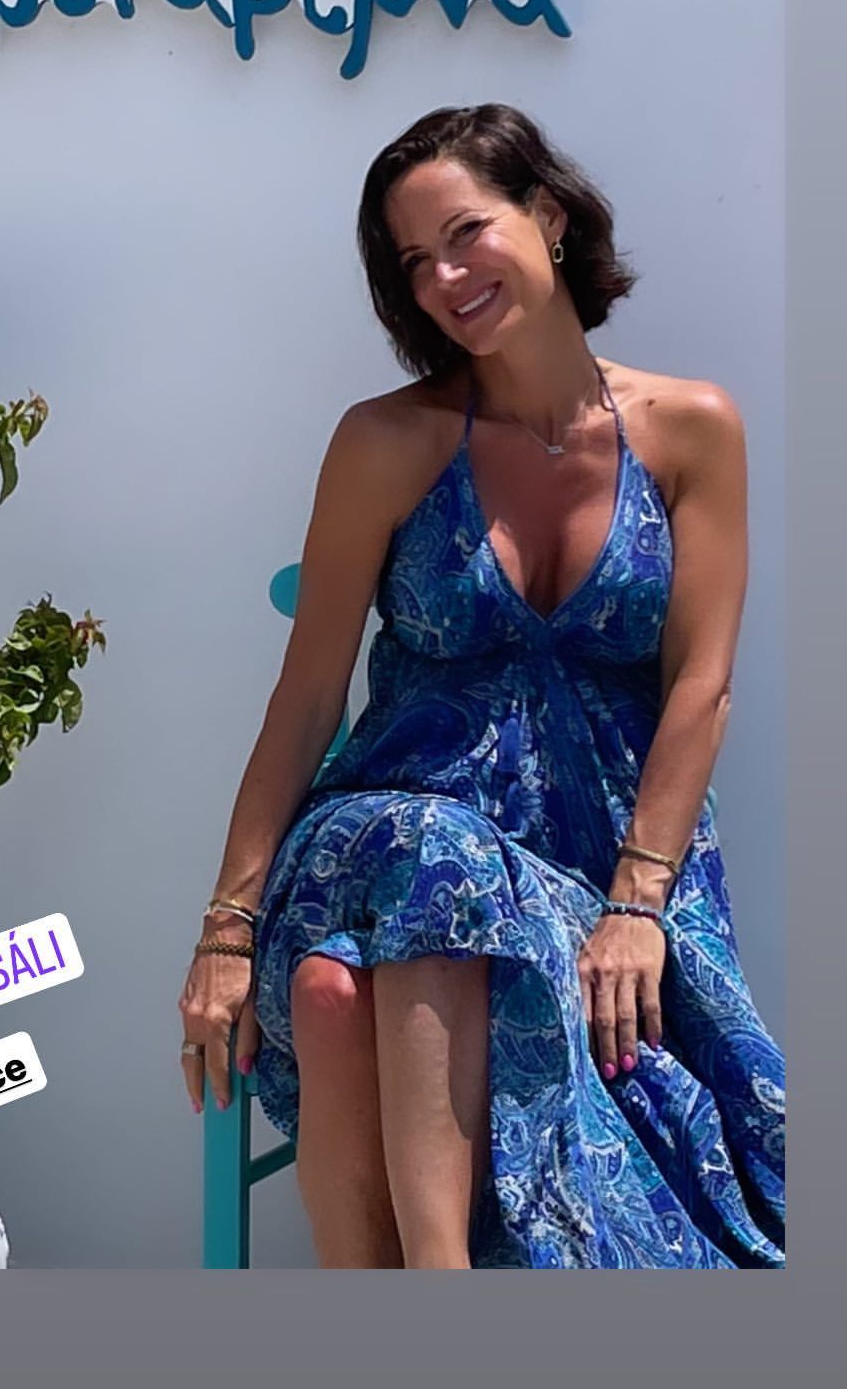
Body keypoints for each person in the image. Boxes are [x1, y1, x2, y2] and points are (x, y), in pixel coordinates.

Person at [178, 102, 785, 1270]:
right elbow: (307, 698)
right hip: (383, 842)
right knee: (433, 856)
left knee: (332, 994)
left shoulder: (692, 431)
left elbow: (702, 684)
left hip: (602, 862)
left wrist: (637, 904)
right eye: (415, 261)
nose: (446, 277)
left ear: (548, 216)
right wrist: (225, 927)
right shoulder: (386, 442)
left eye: (465, 233)